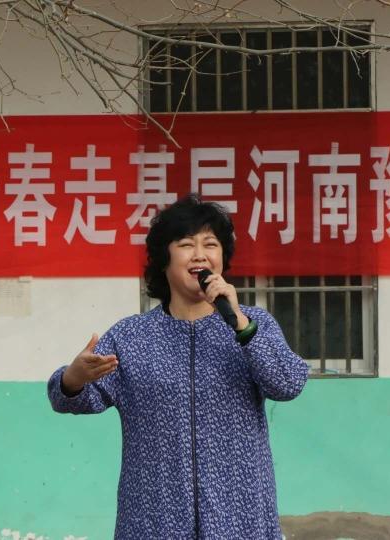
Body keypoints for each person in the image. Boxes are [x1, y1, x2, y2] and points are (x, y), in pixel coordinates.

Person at [47, 194, 309, 539]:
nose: (200, 254)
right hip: (154, 519)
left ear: (222, 258)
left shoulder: (252, 324)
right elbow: (68, 399)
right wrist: (73, 378)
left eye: (210, 245)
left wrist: (241, 326)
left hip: (239, 517)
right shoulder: (131, 337)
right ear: (164, 260)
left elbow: (288, 383)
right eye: (186, 244)